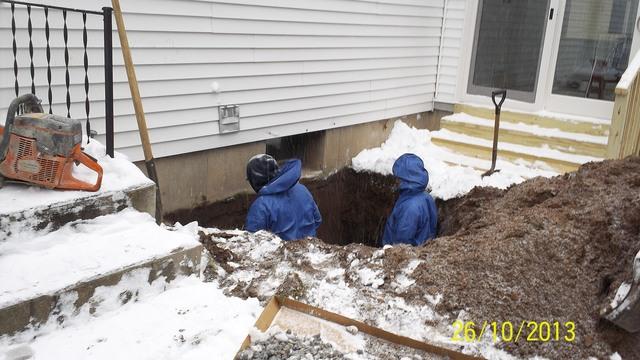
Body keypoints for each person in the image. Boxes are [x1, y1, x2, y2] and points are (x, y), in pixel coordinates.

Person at [245, 154, 322, 241]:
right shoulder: (302, 189)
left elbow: (251, 241)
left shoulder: (261, 206)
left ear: (255, 180)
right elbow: (317, 220)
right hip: (311, 251)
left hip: (283, 253)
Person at [382, 153, 437, 246]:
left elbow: (401, 244)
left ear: (406, 178)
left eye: (398, 177)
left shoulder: (410, 208)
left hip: (399, 255)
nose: (395, 180)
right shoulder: (425, 196)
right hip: (421, 249)